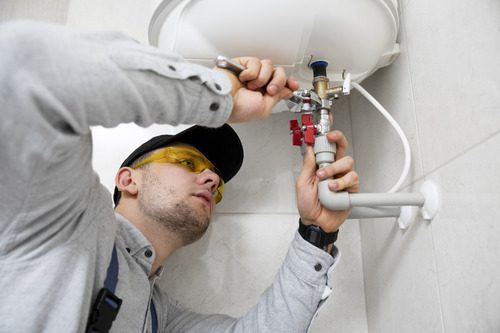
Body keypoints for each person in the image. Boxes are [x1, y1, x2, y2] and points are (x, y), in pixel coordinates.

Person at [0, 21, 358, 333]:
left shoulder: (158, 318)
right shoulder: (59, 221)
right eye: (187, 162)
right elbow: (24, 67)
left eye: (217, 182)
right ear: (128, 180)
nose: (212, 180)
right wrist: (219, 95)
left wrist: (317, 232)